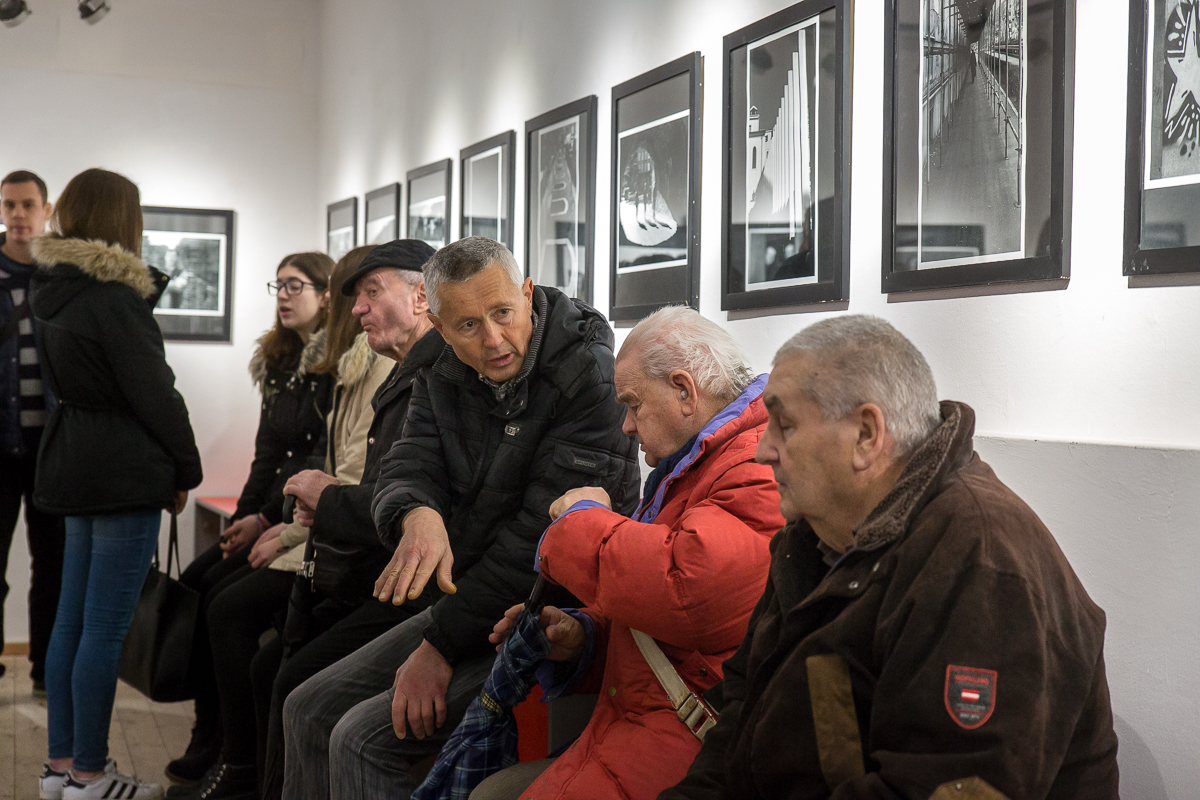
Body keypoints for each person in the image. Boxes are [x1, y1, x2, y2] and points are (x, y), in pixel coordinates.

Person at [660, 315, 1120, 800]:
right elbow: (739, 722)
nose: (762, 450)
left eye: (785, 426)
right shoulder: (812, 538)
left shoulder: (980, 561)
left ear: (866, 434)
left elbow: (945, 786)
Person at [282, 236, 641, 800]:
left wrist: (441, 646)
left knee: (359, 738)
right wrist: (416, 513)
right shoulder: (440, 365)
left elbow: (541, 543)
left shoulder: (586, 375)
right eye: (469, 325)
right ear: (441, 327)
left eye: (503, 313)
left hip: (547, 609)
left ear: (527, 294)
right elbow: (409, 462)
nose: (493, 339)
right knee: (304, 705)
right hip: (465, 597)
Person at [473, 306, 786, 800]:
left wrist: (581, 519)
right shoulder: (701, 465)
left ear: (684, 391)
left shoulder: (756, 463)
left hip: (688, 748)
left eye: (634, 404)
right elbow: (670, 634)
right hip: (646, 727)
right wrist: (584, 638)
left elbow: (687, 591)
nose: (626, 426)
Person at [169, 246, 386, 800]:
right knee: (199, 583)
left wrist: (272, 521)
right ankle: (214, 738)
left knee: (230, 612)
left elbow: (331, 474)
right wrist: (248, 518)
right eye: (279, 286)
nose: (284, 296)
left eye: (296, 285)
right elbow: (270, 456)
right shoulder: (287, 362)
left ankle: (237, 760)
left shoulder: (351, 366)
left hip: (320, 533)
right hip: (299, 520)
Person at [248, 239, 445, 800]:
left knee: (297, 687)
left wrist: (327, 499)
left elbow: (405, 504)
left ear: (422, 296)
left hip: (410, 590)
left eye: (371, 293)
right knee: (275, 663)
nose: (356, 309)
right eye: (354, 296)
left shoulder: (433, 380)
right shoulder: (403, 375)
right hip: (374, 572)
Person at [30, 168, 203, 800]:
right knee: (103, 628)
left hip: (74, 463)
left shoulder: (52, 288)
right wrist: (187, 468)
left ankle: (60, 768)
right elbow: (156, 395)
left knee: (71, 623)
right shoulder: (114, 297)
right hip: (124, 472)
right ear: (122, 220)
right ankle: (90, 774)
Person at [0, 170, 64, 692]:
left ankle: (45, 671)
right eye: (8, 205)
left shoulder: (62, 276)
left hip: (53, 448)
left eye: (27, 204)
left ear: (46, 210)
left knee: (54, 567)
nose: (18, 214)